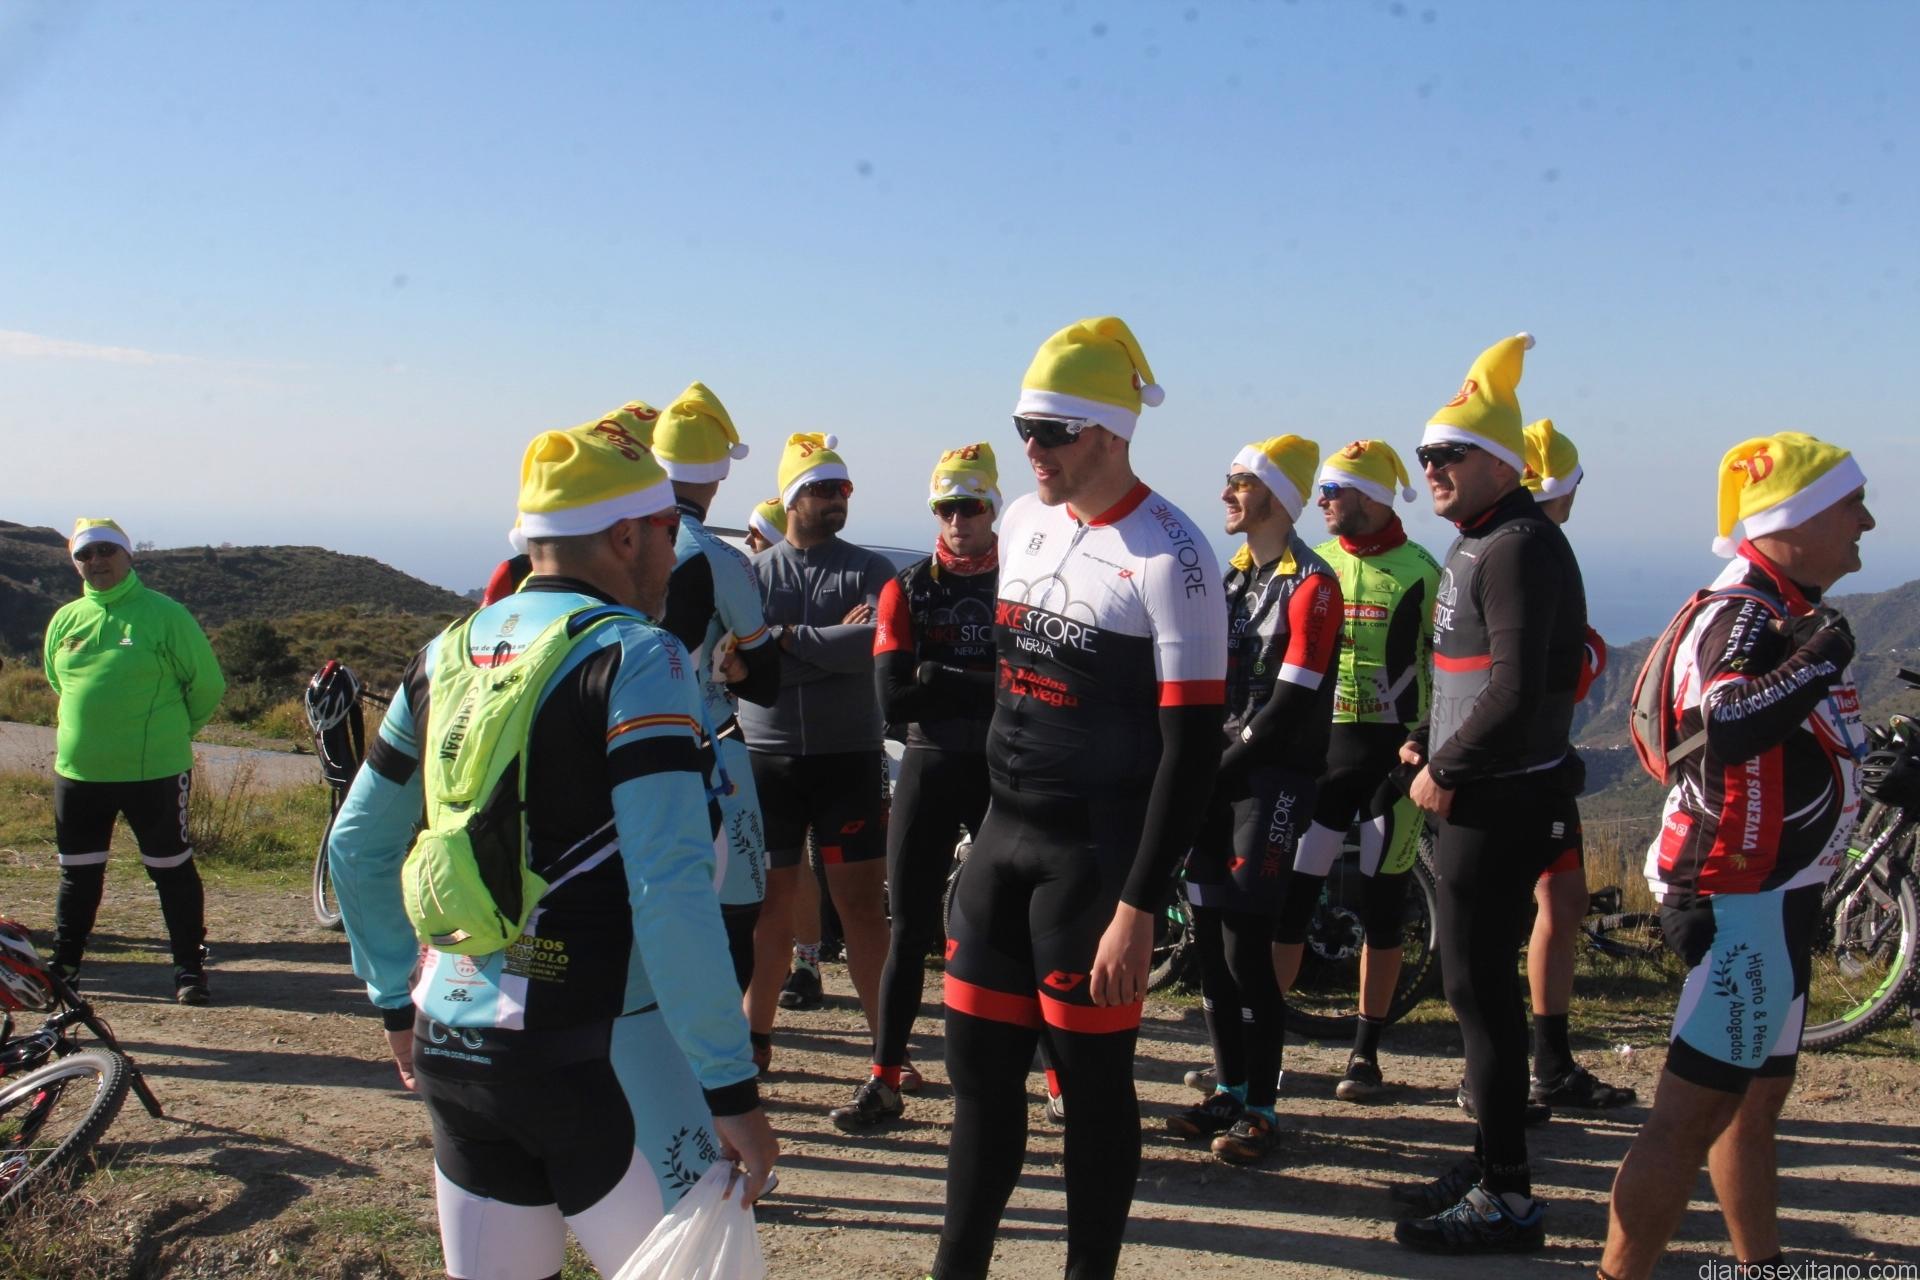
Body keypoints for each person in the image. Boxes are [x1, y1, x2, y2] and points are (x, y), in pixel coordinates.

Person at [327, 422, 777, 1279]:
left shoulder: (443, 652)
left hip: (452, 1042)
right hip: (606, 1052)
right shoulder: (639, 656)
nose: (675, 553)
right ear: (626, 536)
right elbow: (671, 886)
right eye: (670, 532)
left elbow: (355, 845)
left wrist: (392, 1000)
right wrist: (730, 1086)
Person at [937, 317, 1226, 1280]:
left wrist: (1140, 907)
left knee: (1094, 1097)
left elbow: (1192, 752)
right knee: (979, 1088)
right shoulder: (1023, 520)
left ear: (1109, 432)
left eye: (1052, 431)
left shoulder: (1175, 556)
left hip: (1092, 867)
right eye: (1024, 427)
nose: (1032, 448)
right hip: (1001, 842)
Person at [1601, 433, 1871, 1280]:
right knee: (1686, 1120)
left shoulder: (1778, 604)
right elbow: (1729, 722)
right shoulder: (1745, 613)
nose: (1868, 522)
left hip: (1778, 896)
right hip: (1739, 901)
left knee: (1752, 1109)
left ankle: (1764, 1266)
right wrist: (1822, 655)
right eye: (1850, 505)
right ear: (1791, 521)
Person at [1390, 333, 1587, 1254]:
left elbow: (1513, 691)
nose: (1432, 467)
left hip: (1496, 801)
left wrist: (1444, 767)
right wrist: (1426, 737)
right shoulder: (1481, 540)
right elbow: (1466, 677)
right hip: (1481, 792)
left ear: (1503, 465)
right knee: (1473, 989)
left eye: (1450, 454)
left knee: (1479, 991)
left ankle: (1507, 1193)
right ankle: (1489, 1162)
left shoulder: (1516, 547)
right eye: (1426, 452)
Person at [1166, 435, 1339, 1166]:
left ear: (1279, 495)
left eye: (1240, 482)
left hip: (1270, 782)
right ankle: (1230, 1088)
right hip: (1218, 777)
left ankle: (1264, 1107)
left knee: (1246, 947)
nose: (1226, 494)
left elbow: (1288, 708)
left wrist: (1215, 769)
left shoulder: (1315, 585)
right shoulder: (1232, 575)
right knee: (1208, 942)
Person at [831, 443, 1003, 1131]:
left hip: (1001, 771)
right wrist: (979, 685)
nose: (958, 519)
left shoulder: (1022, 581)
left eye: (971, 506)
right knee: (908, 929)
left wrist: (939, 677)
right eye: (945, 507)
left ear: (993, 509)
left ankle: (1055, 1081)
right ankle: (884, 1081)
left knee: (1022, 929)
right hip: (930, 766)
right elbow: (894, 702)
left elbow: (1031, 692)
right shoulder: (906, 588)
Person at [739, 434, 898, 1065]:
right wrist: (827, 646)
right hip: (768, 758)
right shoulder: (752, 573)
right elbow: (741, 666)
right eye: (823, 488)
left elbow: (875, 645)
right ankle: (755, 1039)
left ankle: (888, 1052)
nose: (837, 499)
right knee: (770, 906)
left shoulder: (871, 569)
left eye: (844, 488)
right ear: (791, 498)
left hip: (848, 759)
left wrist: (782, 642)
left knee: (861, 908)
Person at [1291, 440, 1440, 1102]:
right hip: (1321, 755)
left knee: (1384, 909)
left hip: (1392, 762)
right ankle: (1256, 1047)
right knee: (1291, 902)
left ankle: (1365, 1052)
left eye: (1334, 491)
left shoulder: (1423, 570)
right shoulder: (1314, 562)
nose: (1321, 501)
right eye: (1321, 490)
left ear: (1372, 496)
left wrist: (1430, 744)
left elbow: (1452, 666)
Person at [621, 386, 782, 1000]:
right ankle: (714, 1053)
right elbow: (767, 681)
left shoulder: (611, 540)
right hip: (709, 753)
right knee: (734, 916)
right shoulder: (720, 558)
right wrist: (736, 671)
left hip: (617, 749)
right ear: (718, 477)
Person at [43, 518, 225, 1005]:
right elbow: (59, 683)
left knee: (171, 871)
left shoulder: (165, 615)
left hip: (155, 773)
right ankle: (65, 968)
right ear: (75, 563)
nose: (96, 561)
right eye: (84, 554)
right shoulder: (66, 619)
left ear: (128, 555)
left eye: (106, 550)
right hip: (79, 773)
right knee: (78, 875)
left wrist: (175, 733)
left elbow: (207, 685)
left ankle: (189, 970)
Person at [1510, 419, 1635, 1111]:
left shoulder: (1510, 543)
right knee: (1522, 913)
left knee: (1560, 904)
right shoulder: (1539, 549)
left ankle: (1547, 1064)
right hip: (1521, 770)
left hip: (1538, 766)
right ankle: (1503, 1072)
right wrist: (1592, 651)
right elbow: (1568, 670)